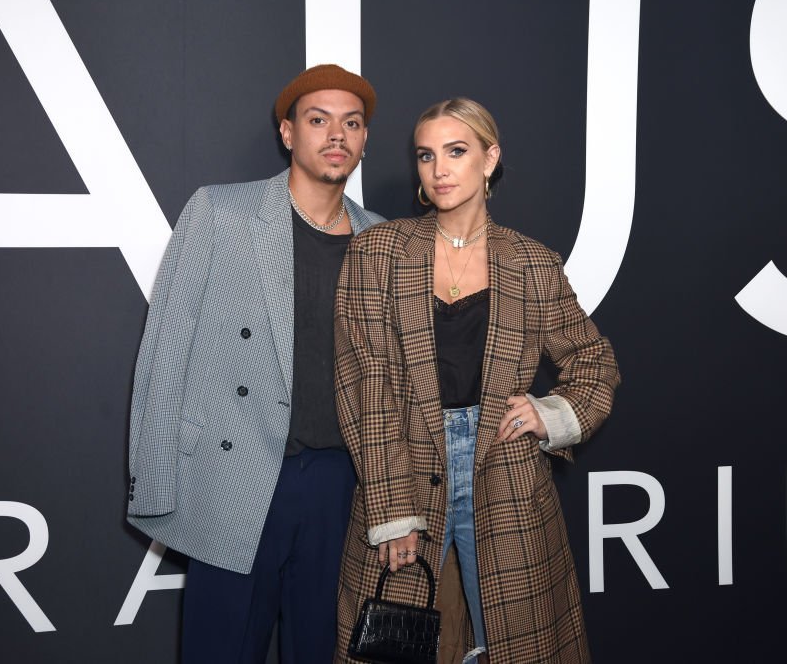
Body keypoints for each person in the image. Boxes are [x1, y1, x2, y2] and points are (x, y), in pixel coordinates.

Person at [333, 98, 620, 663]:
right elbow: (363, 384)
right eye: (426, 155)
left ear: (489, 159)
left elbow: (594, 360)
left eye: (456, 152)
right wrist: (393, 509)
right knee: (395, 645)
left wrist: (553, 414)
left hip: (507, 470)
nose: (439, 169)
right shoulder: (378, 252)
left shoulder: (532, 263)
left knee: (516, 643)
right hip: (405, 465)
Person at [126, 64, 384, 663]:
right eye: (318, 120)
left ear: (365, 140)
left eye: (351, 123)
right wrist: (157, 484)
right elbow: (165, 352)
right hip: (237, 476)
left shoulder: (381, 238)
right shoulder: (222, 213)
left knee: (321, 651)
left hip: (341, 483)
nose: (336, 135)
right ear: (289, 133)